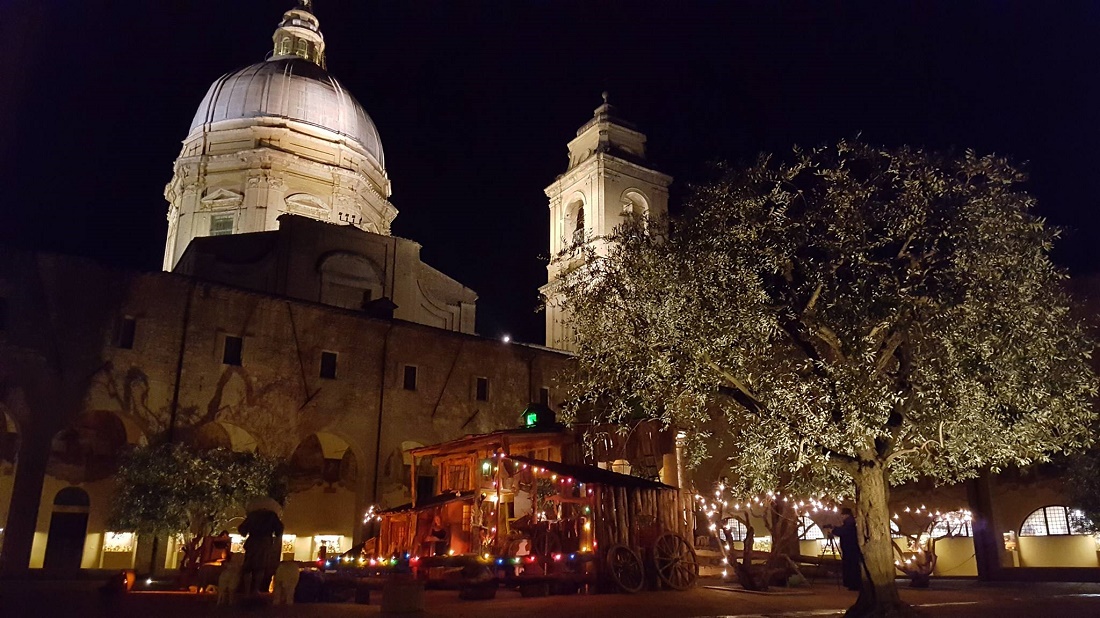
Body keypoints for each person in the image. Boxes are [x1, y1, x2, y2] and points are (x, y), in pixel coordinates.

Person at [239, 502, 284, 594]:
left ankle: (246, 589)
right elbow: (279, 530)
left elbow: (242, 530)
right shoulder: (272, 516)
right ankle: (255, 589)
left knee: (248, 566)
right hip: (265, 543)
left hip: (252, 542)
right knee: (260, 567)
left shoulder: (252, 515)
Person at [831, 508, 863, 591]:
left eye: (842, 515)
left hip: (850, 549)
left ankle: (853, 584)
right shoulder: (851, 522)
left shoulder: (849, 523)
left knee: (851, 567)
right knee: (852, 566)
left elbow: (844, 531)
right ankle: (853, 584)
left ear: (846, 515)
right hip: (851, 548)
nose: (841, 517)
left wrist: (834, 530)